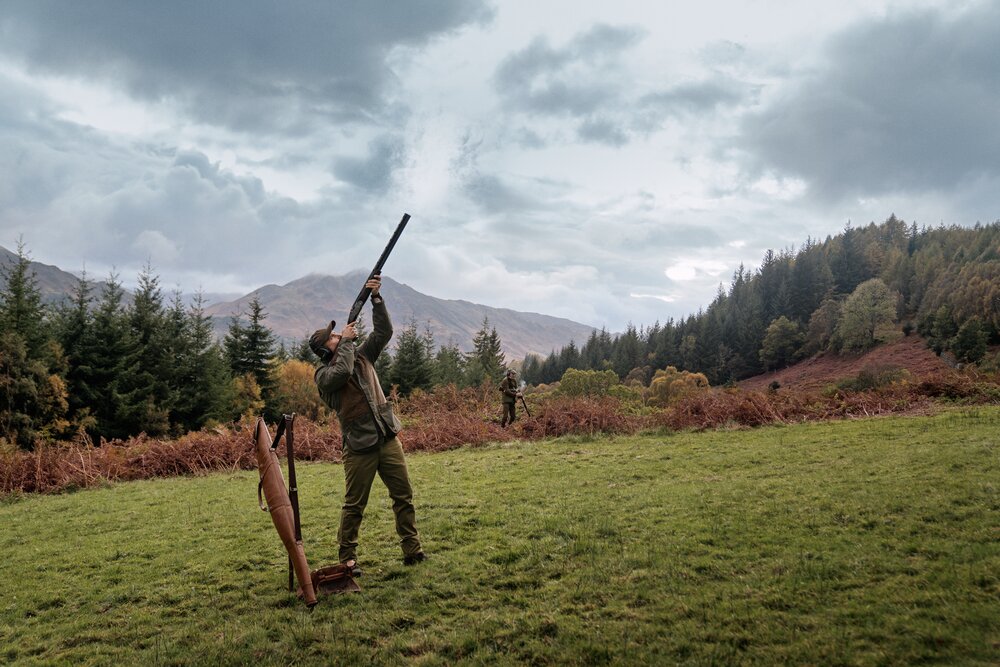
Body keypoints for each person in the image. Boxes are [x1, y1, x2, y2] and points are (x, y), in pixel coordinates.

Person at [310, 275, 425, 574]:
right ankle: (347, 559)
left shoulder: (361, 355)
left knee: (404, 496)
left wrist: (376, 299)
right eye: (333, 337)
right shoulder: (323, 376)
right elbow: (342, 371)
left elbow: (384, 332)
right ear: (325, 351)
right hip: (359, 447)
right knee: (354, 506)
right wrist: (347, 343)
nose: (339, 335)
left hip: (387, 437)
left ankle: (412, 550)